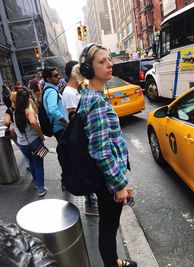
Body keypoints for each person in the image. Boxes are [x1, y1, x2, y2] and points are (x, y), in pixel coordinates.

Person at [78, 43, 137, 267]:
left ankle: (114, 262)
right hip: (108, 182)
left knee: (108, 227)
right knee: (108, 230)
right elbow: (100, 151)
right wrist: (119, 185)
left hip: (106, 179)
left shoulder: (92, 95)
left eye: (109, 58)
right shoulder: (95, 101)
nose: (109, 64)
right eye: (102, 61)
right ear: (88, 69)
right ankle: (115, 265)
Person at [62, 60, 98, 216]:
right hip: (79, 137)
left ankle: (92, 202)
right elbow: (73, 117)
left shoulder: (77, 90)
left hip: (84, 135)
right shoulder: (69, 93)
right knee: (85, 169)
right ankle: (90, 205)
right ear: (73, 74)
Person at [13, 89, 47, 197]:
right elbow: (33, 122)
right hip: (34, 141)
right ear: (27, 99)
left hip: (22, 144)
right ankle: (41, 188)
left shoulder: (15, 112)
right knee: (38, 163)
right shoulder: (28, 111)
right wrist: (41, 135)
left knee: (31, 162)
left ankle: (37, 183)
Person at [42, 67, 68, 141]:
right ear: (48, 79)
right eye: (55, 76)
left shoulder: (48, 89)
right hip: (60, 128)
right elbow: (53, 110)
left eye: (58, 75)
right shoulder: (51, 92)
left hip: (58, 128)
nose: (59, 77)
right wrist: (66, 123)